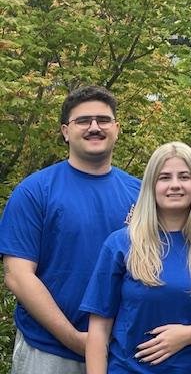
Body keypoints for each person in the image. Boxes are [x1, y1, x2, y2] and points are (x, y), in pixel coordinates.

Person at [0, 86, 140, 374]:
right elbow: (17, 276)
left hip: (122, 353)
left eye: (103, 120)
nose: (94, 127)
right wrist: (75, 339)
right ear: (65, 131)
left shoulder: (141, 194)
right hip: (48, 352)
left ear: (117, 128)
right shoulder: (35, 191)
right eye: (83, 121)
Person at [81, 142, 191, 373]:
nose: (175, 185)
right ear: (151, 185)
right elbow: (98, 330)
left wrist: (190, 334)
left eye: (184, 176)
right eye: (164, 177)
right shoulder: (121, 244)